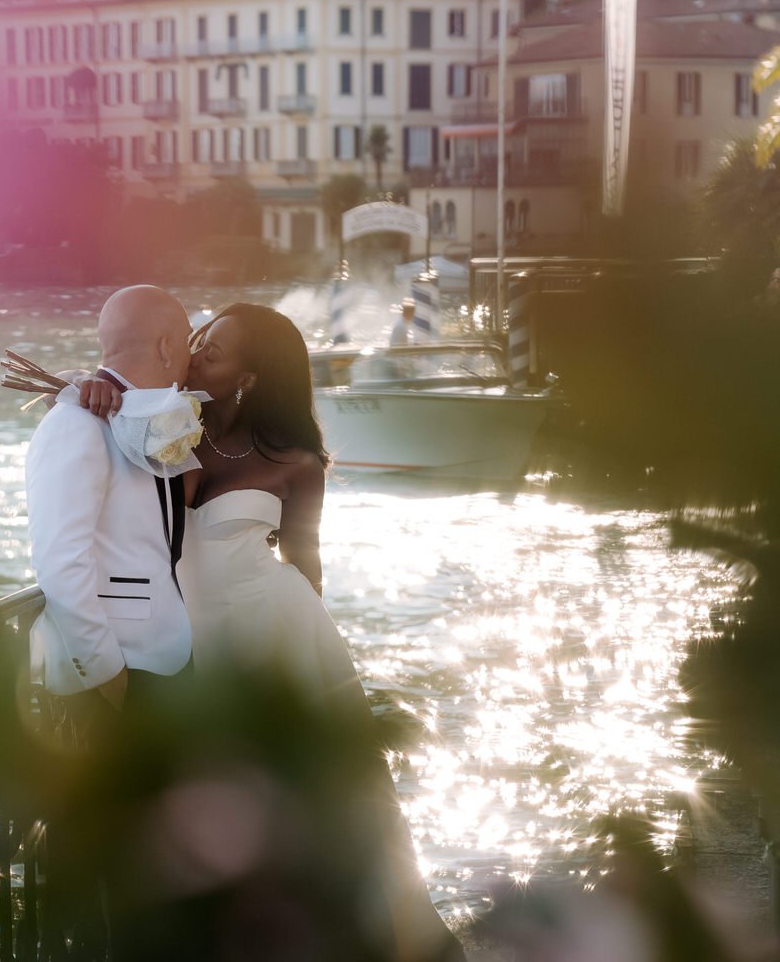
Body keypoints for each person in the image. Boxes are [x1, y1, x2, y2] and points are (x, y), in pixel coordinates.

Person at [73, 303, 466, 962]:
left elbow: (306, 570)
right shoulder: (157, 419)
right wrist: (97, 386)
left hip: (271, 629)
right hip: (178, 639)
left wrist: (304, 674)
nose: (195, 355)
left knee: (304, 804)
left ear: (249, 378)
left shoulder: (296, 462)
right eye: (198, 340)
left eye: (214, 351)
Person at [25, 284, 195, 721]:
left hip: (164, 657)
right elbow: (60, 559)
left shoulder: (156, 417)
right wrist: (104, 672)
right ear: (166, 346)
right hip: (118, 670)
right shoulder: (76, 423)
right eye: (188, 341)